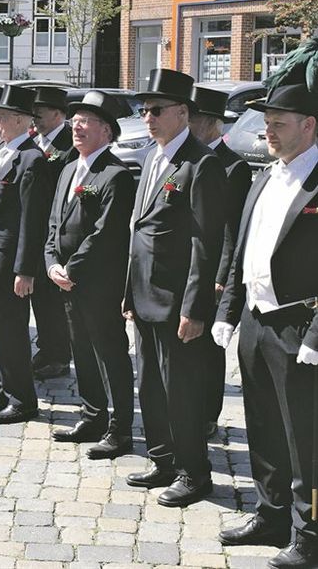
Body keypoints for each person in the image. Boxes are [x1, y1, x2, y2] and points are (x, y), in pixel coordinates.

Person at [212, 79, 318, 569]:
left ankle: (309, 533)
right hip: (257, 322)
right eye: (267, 123)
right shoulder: (264, 176)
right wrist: (228, 312)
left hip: (301, 327)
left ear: (309, 126)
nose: (268, 131)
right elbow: (242, 251)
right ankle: (271, 513)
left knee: (306, 437)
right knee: (263, 427)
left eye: (278, 123)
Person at [123, 68, 226, 508]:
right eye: (144, 110)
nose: (148, 117)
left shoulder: (202, 164)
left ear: (182, 113)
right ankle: (162, 458)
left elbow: (207, 243)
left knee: (181, 391)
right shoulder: (153, 157)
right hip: (144, 294)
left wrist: (195, 308)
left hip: (175, 301)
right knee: (149, 384)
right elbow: (140, 230)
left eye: (157, 110)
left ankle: (193, 473)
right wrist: (128, 293)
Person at [45, 91, 136, 459]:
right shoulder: (69, 168)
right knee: (81, 351)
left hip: (98, 284)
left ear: (107, 131)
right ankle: (92, 415)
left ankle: (121, 429)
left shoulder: (116, 175)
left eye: (86, 121)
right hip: (66, 281)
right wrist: (51, 260)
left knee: (109, 354)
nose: (77, 127)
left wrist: (72, 268)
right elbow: (54, 223)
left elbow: (106, 233)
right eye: (75, 120)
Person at [0, 85, 51, 422]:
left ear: (22, 120)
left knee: (11, 334)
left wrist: (25, 270)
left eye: (2, 117)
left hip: (8, 262)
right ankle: (0, 388)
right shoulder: (4, 151)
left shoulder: (31, 159)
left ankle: (22, 399)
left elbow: (31, 221)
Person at [188, 85, 253, 438]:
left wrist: (223, 277)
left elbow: (233, 230)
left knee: (210, 352)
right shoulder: (190, 158)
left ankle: (208, 415)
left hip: (215, 272)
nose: (188, 123)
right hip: (190, 268)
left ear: (212, 123)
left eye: (194, 117)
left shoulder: (234, 167)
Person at [28, 87, 75, 380]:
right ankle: (46, 348)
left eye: (40, 114)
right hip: (37, 230)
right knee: (41, 299)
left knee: (53, 300)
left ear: (58, 115)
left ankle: (59, 355)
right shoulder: (38, 141)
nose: (35, 120)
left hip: (55, 231)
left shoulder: (68, 146)